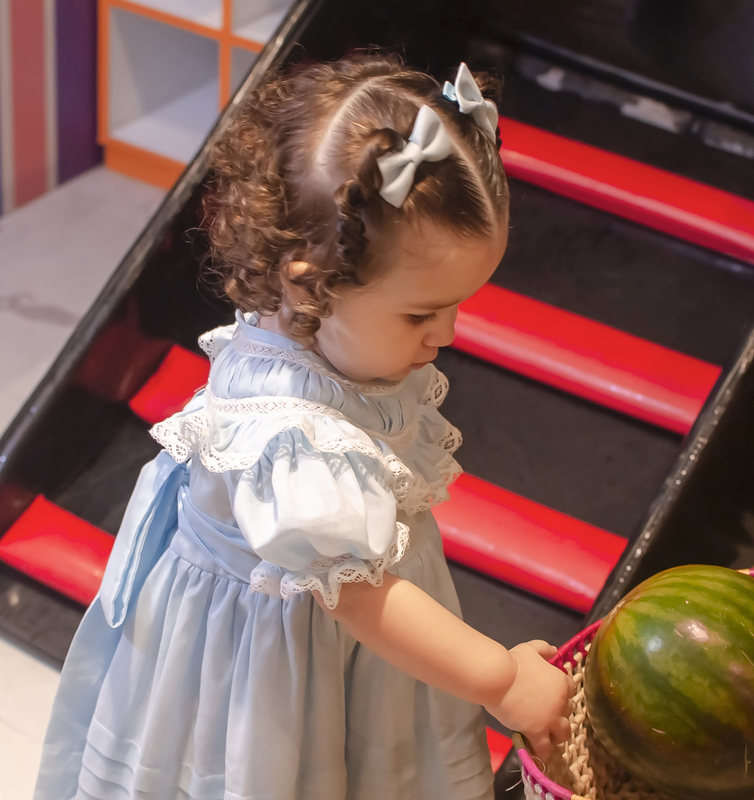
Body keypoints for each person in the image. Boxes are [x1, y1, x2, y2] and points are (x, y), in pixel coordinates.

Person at [34, 53, 572, 800]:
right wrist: (501, 678)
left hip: (346, 652)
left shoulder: (321, 324)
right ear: (309, 282)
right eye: (421, 312)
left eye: (458, 306)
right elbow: (359, 595)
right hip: (276, 660)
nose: (445, 334)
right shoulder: (289, 433)